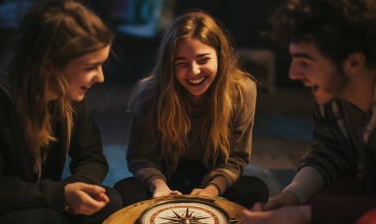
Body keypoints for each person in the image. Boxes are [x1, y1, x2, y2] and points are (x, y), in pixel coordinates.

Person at [242, 0, 376, 223]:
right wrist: (293, 195)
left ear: (353, 62)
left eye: (305, 61)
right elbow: (329, 147)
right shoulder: (332, 88)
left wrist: (305, 215)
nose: (293, 73)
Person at [113, 11, 269, 209]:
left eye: (203, 59)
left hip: (213, 173)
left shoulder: (243, 89)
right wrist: (159, 186)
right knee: (123, 191)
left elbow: (235, 159)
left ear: (220, 57)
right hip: (166, 173)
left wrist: (211, 191)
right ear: (169, 65)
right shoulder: (150, 92)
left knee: (256, 191)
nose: (194, 71)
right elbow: (140, 157)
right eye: (182, 63)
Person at [0, 1, 122, 223]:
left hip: (43, 201)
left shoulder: (69, 96)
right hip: (4, 208)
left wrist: (76, 190)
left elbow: (92, 158)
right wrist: (59, 195)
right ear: (49, 65)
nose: (100, 77)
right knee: (49, 218)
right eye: (90, 67)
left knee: (112, 201)